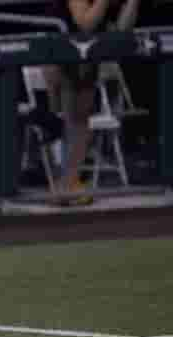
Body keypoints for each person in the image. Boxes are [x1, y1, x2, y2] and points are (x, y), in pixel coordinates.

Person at [45, 0, 141, 205]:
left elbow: (122, 31)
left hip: (87, 58)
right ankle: (63, 185)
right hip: (58, 52)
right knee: (70, 122)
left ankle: (67, 185)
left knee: (81, 124)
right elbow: (84, 22)